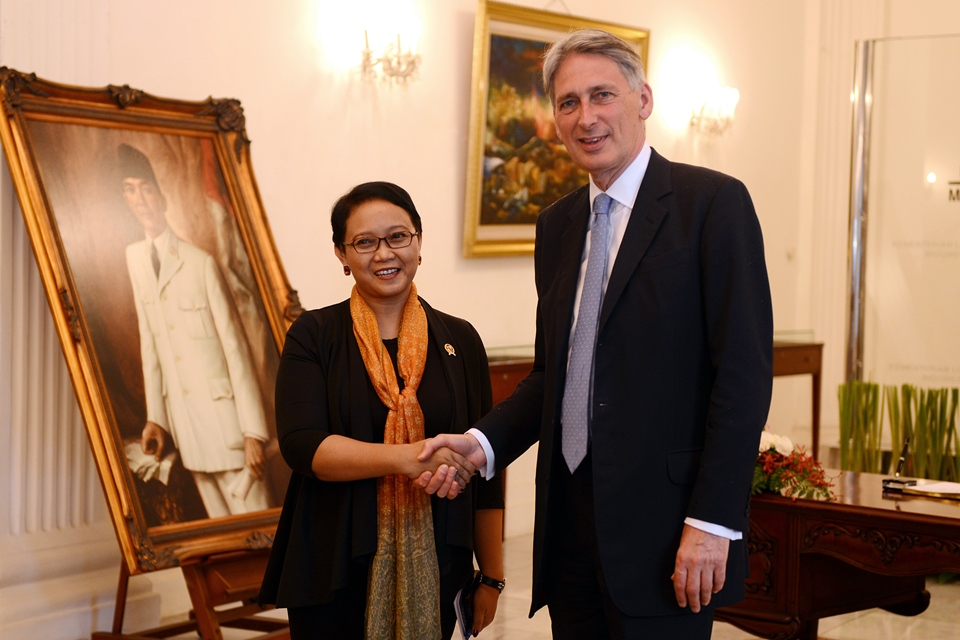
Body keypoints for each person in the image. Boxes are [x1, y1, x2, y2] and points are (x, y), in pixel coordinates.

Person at [418, 29, 773, 639]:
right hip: (570, 531)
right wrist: (483, 442)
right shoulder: (556, 225)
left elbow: (742, 379)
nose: (586, 118)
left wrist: (713, 522)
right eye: (568, 102)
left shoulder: (711, 204)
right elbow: (554, 374)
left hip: (669, 532)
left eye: (602, 95)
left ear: (643, 100)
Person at [258, 182, 504, 639]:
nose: (384, 254)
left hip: (439, 557)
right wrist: (405, 458)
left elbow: (487, 468)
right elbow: (302, 446)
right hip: (334, 562)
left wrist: (490, 576)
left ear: (418, 242)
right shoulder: (314, 334)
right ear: (341, 255)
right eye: (365, 242)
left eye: (398, 237)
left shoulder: (460, 339)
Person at [121, 143, 272, 519]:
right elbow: (150, 343)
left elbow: (235, 350)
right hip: (188, 430)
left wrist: (254, 431)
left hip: (230, 429)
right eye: (129, 189)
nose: (140, 199)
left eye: (146, 188)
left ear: (161, 195)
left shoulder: (200, 263)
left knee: (264, 538)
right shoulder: (135, 259)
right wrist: (156, 417)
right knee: (221, 542)